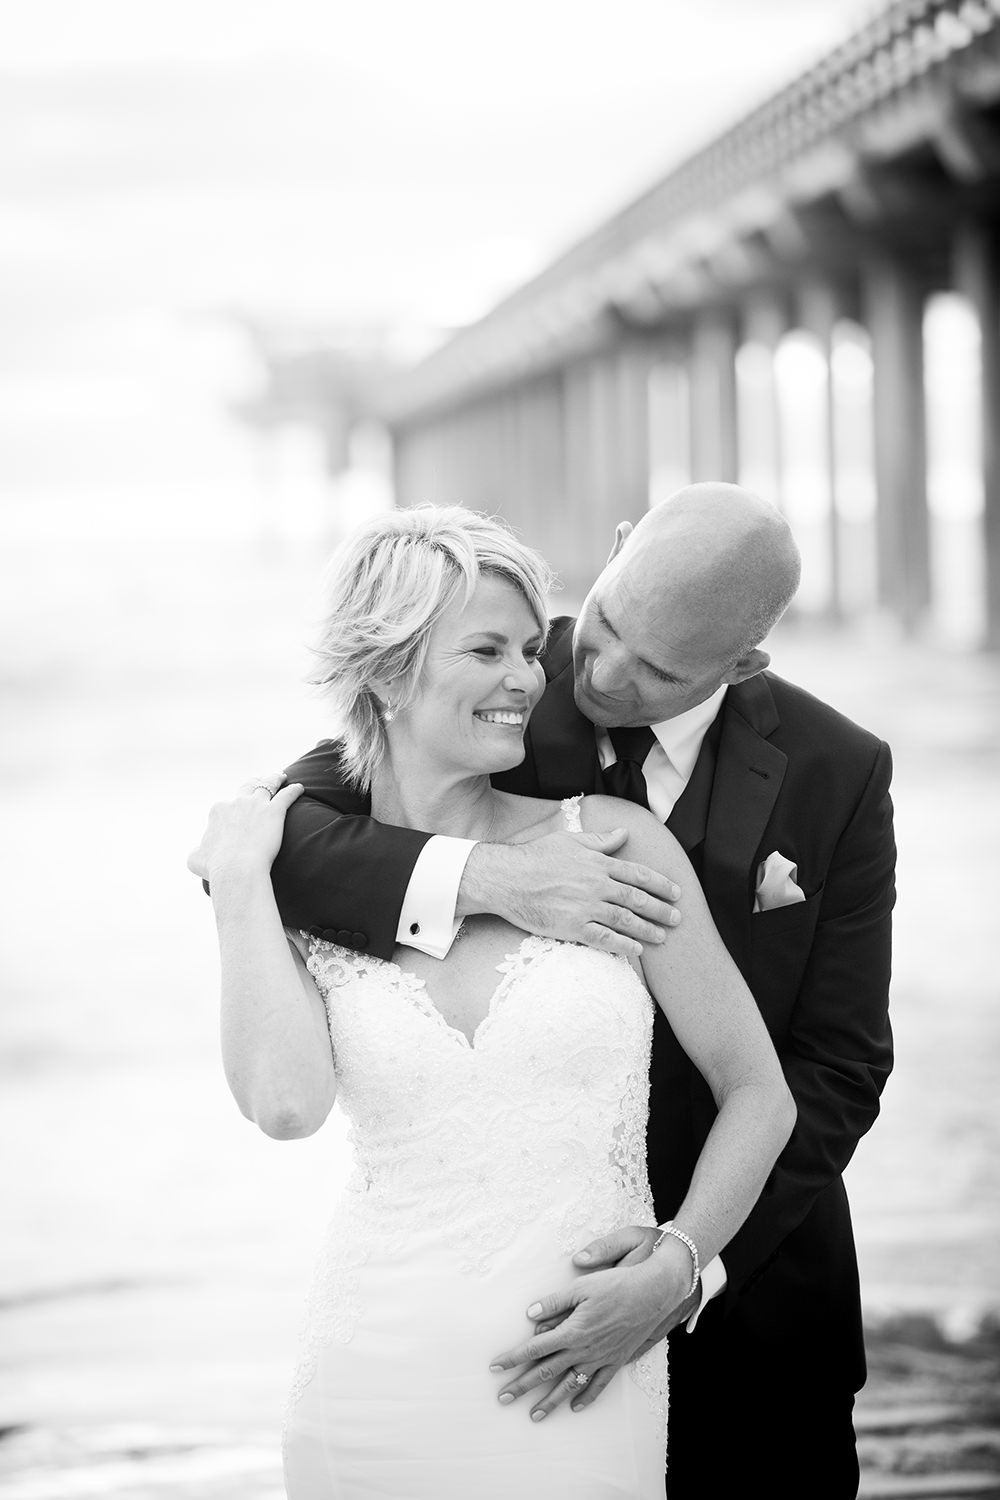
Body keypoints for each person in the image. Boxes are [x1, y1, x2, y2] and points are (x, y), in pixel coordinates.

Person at [257, 482, 896, 1499]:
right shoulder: (495, 681)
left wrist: (684, 1263)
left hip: (754, 1291)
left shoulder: (840, 772)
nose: (599, 673)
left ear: (742, 665)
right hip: (492, 1295)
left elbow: (840, 1061)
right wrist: (490, 876)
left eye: (658, 671)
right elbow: (278, 832)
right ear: (613, 551)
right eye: (602, 626)